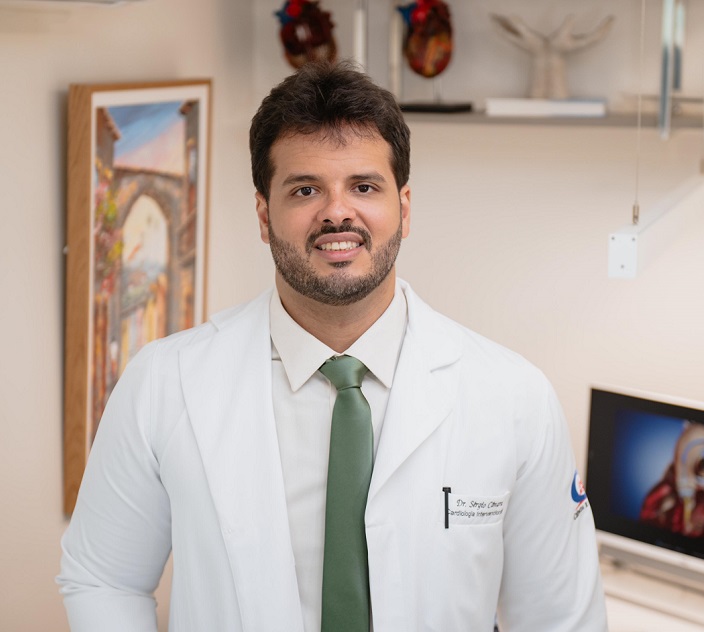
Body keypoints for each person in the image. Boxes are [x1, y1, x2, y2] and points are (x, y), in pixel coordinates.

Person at [57, 60, 607, 632]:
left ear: (405, 209)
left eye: (364, 187)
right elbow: (103, 578)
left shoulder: (514, 398)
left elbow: (561, 619)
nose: (337, 213)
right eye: (305, 190)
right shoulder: (163, 383)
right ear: (264, 216)